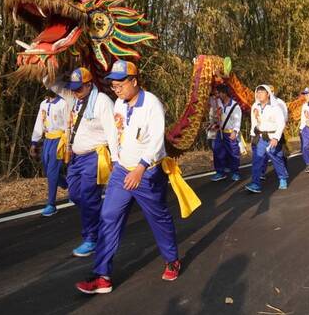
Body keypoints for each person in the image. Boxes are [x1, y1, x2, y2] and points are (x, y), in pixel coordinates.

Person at [76, 60, 199, 294]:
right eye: (113, 85)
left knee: (158, 218)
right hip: (122, 170)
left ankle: (172, 259)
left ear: (134, 81)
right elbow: (117, 133)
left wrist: (140, 168)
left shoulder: (152, 105)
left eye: (120, 83)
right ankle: (102, 276)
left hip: (148, 173)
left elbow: (155, 141)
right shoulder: (119, 105)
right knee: (109, 216)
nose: (116, 88)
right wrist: (115, 160)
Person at [63, 67, 119, 258]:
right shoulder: (73, 99)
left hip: (94, 157)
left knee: (88, 197)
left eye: (79, 88)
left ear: (89, 85)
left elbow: (112, 131)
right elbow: (53, 86)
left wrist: (116, 160)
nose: (75, 92)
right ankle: (99, 216)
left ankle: (91, 238)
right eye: (74, 89)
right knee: (75, 195)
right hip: (76, 158)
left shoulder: (102, 101)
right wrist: (42, 68)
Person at [30, 90, 69, 216]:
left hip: (59, 139)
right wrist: (34, 142)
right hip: (48, 139)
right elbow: (39, 123)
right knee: (47, 170)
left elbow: (68, 123)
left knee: (52, 170)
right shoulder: (43, 104)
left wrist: (68, 142)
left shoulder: (63, 103)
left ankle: (51, 204)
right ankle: (67, 184)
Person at [245, 85, 289, 193]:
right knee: (257, 160)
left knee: (276, 158)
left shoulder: (276, 107)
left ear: (268, 94)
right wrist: (252, 135)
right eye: (257, 92)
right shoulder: (255, 106)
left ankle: (282, 178)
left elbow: (281, 123)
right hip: (260, 137)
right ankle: (255, 184)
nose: (259, 94)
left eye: (261, 92)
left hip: (272, 137)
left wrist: (276, 138)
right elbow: (254, 122)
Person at [210, 84, 243, 182]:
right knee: (217, 151)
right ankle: (220, 172)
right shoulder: (218, 103)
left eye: (219, 93)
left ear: (224, 93)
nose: (218, 95)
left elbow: (238, 120)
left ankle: (235, 172)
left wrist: (235, 131)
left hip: (230, 133)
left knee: (233, 153)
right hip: (220, 132)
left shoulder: (235, 106)